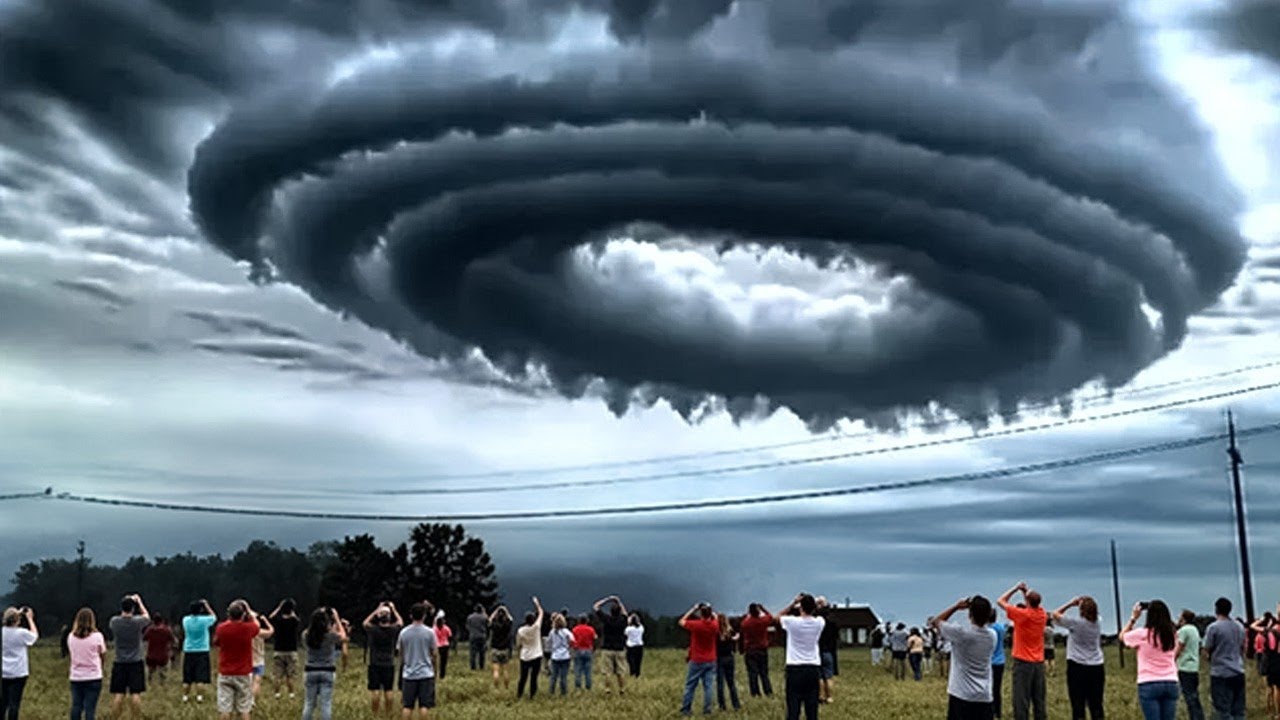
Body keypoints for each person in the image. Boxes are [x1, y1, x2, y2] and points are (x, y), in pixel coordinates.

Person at [932, 596, 997, 720]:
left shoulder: (962, 634)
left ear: (970, 614)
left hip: (961, 695)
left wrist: (956, 607)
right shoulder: (992, 636)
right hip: (984, 696)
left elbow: (936, 622)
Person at [1118, 600, 1180, 720]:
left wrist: (1133, 618)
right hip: (1170, 680)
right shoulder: (1172, 635)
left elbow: (1122, 636)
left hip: (1149, 681)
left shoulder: (1142, 634)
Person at [997, 582, 1048, 720]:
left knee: (1021, 700)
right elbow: (1032, 604)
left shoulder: (1022, 615)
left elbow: (1001, 601)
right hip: (1039, 662)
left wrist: (1015, 589)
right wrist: (1026, 593)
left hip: (1023, 662)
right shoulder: (1042, 615)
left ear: (1027, 602)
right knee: (1039, 699)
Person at [1052, 596, 1106, 720]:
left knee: (1078, 703)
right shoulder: (1098, 621)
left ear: (1081, 610)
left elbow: (1055, 614)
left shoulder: (1076, 623)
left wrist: (1071, 604)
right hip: (1096, 665)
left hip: (1077, 665)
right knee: (1096, 704)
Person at [776, 593, 825, 720]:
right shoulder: (819, 623)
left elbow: (777, 617)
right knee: (812, 709)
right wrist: (817, 603)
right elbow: (822, 611)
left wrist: (793, 603)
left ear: (800, 608)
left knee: (793, 708)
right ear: (813, 608)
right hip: (813, 667)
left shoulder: (792, 622)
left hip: (795, 668)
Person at [213, 600, 261, 720]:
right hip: (243, 673)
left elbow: (216, 642)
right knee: (244, 708)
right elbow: (257, 626)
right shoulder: (248, 628)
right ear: (243, 614)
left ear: (228, 614)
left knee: (225, 708)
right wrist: (249, 613)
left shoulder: (221, 628)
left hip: (225, 672)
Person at [108, 593, 151, 718]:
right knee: (135, 693)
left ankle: (115, 717)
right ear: (133, 608)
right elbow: (147, 617)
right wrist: (139, 602)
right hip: (136, 662)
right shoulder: (137, 622)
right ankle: (136, 717)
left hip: (119, 661)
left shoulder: (114, 621)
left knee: (119, 694)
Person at [1203, 597, 1247, 720]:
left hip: (1220, 672)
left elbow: (1207, 649)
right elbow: (1243, 647)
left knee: (1222, 710)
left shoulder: (1213, 628)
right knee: (1238, 710)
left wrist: (1209, 658)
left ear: (1216, 609)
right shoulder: (1239, 626)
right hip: (1238, 670)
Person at [300, 607, 346, 720]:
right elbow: (343, 636)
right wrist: (336, 618)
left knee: (309, 704)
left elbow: (310, 632)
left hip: (310, 670)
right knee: (326, 704)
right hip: (327, 670)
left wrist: (318, 615)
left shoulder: (306, 635)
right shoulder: (330, 636)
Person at [398, 602, 440, 719]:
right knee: (424, 706)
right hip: (426, 673)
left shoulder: (404, 632)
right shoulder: (430, 632)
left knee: (407, 706)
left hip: (409, 674)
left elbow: (401, 653)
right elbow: (434, 654)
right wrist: (435, 670)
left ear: (411, 616)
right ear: (424, 616)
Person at [678, 602, 720, 717]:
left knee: (690, 686)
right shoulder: (714, 625)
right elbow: (716, 618)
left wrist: (693, 609)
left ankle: (686, 709)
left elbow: (681, 621)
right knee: (709, 687)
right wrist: (712, 611)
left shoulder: (696, 625)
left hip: (697, 659)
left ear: (701, 614)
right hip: (711, 659)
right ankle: (707, 710)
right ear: (710, 613)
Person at [363, 601, 404, 717]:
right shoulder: (392, 630)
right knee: (388, 690)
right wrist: (393, 609)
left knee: (375, 690)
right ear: (389, 618)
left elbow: (365, 623)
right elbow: (400, 622)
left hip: (375, 663)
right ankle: (388, 713)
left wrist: (377, 609)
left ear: (379, 617)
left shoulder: (374, 630)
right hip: (388, 663)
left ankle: (375, 713)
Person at [68, 607, 107, 720]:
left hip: (76, 676)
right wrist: (100, 666)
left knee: (76, 705)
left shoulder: (71, 637)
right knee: (90, 708)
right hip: (93, 676)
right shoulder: (97, 636)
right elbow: (103, 654)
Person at [2, 606, 38, 719]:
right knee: (14, 703)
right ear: (17, 620)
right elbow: (34, 636)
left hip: (3, 672)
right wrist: (30, 619)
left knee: (3, 702)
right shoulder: (21, 633)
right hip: (18, 672)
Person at [182, 598, 218, 703]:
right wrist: (207, 606)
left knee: (187, 677)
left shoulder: (185, 620)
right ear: (201, 610)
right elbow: (214, 617)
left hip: (188, 650)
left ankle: (185, 696)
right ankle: (199, 697)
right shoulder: (204, 621)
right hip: (202, 650)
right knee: (200, 677)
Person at [594, 595, 629, 694]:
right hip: (620, 648)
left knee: (607, 671)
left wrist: (607, 600)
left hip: (607, 648)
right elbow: (625, 613)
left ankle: (607, 689)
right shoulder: (622, 620)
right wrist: (618, 601)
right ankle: (622, 689)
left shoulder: (607, 619)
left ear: (611, 612)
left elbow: (596, 606)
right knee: (620, 671)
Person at [1175, 609, 1205, 720]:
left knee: (1189, 698)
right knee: (1194, 697)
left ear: (1183, 619)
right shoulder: (1194, 629)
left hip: (1184, 666)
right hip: (1194, 667)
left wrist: (1171, 660)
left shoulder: (1183, 631)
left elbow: (1179, 647)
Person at [268, 598, 301, 700]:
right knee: (290, 675)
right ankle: (291, 694)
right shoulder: (294, 621)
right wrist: (292, 610)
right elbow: (296, 619)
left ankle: (277, 694)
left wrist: (279, 607)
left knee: (277, 675)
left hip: (278, 650)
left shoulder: (278, 620)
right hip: (291, 651)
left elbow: (270, 617)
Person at [1252, 605, 1280, 720]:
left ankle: (1278, 712)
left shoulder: (1270, 630)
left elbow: (1253, 626)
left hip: (1275, 660)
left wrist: (1261, 620)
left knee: (1276, 688)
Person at [741, 603, 774, 697]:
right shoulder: (763, 621)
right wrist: (763, 609)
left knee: (752, 673)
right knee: (764, 673)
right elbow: (770, 617)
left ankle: (755, 692)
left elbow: (742, 625)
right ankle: (768, 691)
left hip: (750, 650)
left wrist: (748, 615)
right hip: (762, 649)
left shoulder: (746, 623)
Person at [515, 597, 545, 699]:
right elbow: (541, 613)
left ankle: (519, 694)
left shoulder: (521, 630)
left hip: (525, 656)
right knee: (534, 677)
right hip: (536, 655)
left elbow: (518, 644)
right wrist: (537, 603)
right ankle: (532, 695)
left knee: (523, 677)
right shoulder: (536, 627)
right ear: (533, 619)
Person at [716, 613, 741, 711]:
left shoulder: (716, 632)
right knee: (731, 683)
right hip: (730, 657)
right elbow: (736, 636)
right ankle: (736, 705)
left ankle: (722, 706)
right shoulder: (730, 631)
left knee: (720, 684)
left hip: (719, 658)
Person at [143, 614, 177, 685]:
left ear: (153, 621)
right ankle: (162, 685)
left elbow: (144, 638)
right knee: (163, 673)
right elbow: (174, 640)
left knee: (150, 673)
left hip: (151, 655)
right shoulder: (166, 630)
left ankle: (150, 684)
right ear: (162, 621)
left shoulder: (150, 629)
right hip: (163, 656)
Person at [816, 599, 839, 703]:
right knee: (829, 677)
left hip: (817, 652)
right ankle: (829, 697)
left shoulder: (816, 623)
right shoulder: (832, 624)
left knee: (819, 677)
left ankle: (821, 696)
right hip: (829, 652)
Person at [488, 606, 514, 691]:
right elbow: (511, 619)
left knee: (496, 671)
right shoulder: (507, 625)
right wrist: (506, 611)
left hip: (495, 649)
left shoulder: (494, 625)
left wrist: (496, 611)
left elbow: (489, 620)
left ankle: (496, 688)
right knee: (505, 670)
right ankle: (506, 687)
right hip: (505, 649)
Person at [548, 614, 574, 696]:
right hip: (565, 656)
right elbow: (572, 640)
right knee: (563, 677)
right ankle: (563, 693)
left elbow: (549, 642)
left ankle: (551, 692)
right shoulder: (566, 631)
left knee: (553, 676)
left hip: (555, 656)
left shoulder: (552, 632)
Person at [249, 612, 274, 697]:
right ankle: (253, 698)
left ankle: (247, 698)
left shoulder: (245, 632)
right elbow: (271, 630)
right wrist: (265, 620)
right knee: (257, 681)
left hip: (248, 660)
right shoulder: (260, 632)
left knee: (248, 681)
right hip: (259, 660)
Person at [990, 611, 1009, 720]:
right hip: (1000, 661)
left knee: (989, 689)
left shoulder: (988, 629)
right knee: (997, 689)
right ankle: (998, 712)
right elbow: (1008, 627)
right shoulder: (1001, 628)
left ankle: (990, 711)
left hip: (989, 662)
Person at [571, 614, 597, 691]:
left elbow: (572, 640)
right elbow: (595, 638)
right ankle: (588, 686)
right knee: (588, 670)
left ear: (579, 620)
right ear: (587, 620)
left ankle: (578, 686)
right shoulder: (591, 629)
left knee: (577, 669)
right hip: (588, 650)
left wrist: (574, 647)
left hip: (578, 650)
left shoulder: (575, 629)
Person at [466, 605, 488, 672]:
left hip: (473, 636)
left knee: (473, 653)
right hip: (482, 636)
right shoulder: (484, 617)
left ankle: (473, 667)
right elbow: (488, 625)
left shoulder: (470, 617)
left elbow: (467, 626)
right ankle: (481, 666)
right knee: (482, 653)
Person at [625, 613, 645, 678]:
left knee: (630, 660)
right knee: (638, 661)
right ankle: (637, 674)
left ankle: (632, 672)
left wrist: (628, 622)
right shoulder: (641, 628)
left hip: (631, 646)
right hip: (639, 646)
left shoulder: (629, 629)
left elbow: (625, 634)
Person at [433, 614, 452, 680]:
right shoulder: (446, 628)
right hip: (445, 645)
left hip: (437, 646)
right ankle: (442, 674)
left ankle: (435, 673)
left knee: (436, 661)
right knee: (444, 661)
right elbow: (450, 636)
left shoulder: (434, 629)